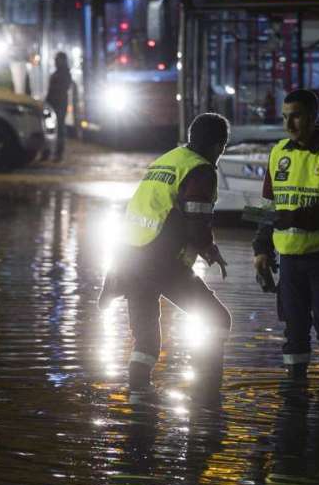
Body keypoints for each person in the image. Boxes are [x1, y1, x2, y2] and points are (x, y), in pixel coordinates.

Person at [99, 113, 233, 391]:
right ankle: (207, 393)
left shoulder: (168, 159)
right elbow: (196, 225)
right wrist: (210, 250)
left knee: (146, 344)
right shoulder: (201, 170)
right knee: (218, 320)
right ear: (219, 146)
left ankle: (138, 410)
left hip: (128, 263)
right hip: (161, 264)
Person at [253, 89, 319, 381]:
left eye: (296, 117)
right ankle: (293, 401)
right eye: (285, 117)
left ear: (313, 117)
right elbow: (267, 207)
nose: (289, 125)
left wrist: (287, 218)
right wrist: (261, 249)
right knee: (293, 331)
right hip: (289, 259)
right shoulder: (278, 153)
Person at [45, 51, 79, 161]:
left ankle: (56, 153)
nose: (56, 61)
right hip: (54, 104)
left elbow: (60, 89)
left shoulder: (64, 74)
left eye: (57, 59)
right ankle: (51, 152)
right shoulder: (60, 73)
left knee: (58, 129)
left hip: (59, 104)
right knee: (52, 129)